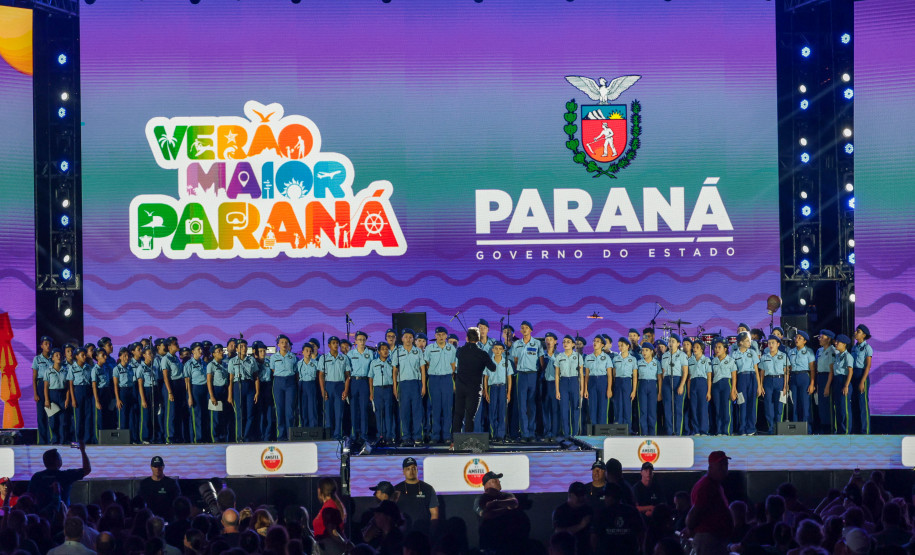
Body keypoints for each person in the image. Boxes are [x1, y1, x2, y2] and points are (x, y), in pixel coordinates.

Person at [452, 328, 496, 437]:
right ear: (478, 339)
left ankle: (454, 441)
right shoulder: (482, 353)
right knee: (470, 416)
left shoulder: (460, 351)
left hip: (460, 387)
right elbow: (493, 368)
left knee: (458, 414)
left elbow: (461, 355)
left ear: (467, 338)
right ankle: (467, 441)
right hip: (474, 388)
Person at [686, 451, 733, 555]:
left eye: (726, 464)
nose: (724, 468)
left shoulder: (713, 484)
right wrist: (690, 529)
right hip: (709, 541)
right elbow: (693, 516)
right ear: (710, 467)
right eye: (720, 465)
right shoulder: (707, 486)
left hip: (712, 540)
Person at [474, 471, 529, 554]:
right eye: (495, 481)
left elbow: (514, 502)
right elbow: (486, 515)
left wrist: (495, 503)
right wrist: (507, 509)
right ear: (489, 483)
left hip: (510, 544)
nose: (499, 482)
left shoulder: (505, 495)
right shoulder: (480, 499)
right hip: (490, 545)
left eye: (498, 480)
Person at [510, 321, 544, 442]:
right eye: (522, 328)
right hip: (521, 375)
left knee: (532, 405)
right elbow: (515, 361)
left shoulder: (537, 343)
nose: (524, 330)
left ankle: (531, 432)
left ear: (531, 330)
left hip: (533, 375)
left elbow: (541, 362)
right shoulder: (516, 344)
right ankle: (524, 433)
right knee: (522, 405)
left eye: (527, 328)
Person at [28, 443, 91, 508]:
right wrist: (83, 451)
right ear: (57, 461)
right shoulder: (65, 475)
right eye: (60, 457)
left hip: (41, 513)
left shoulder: (36, 477)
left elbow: (29, 496)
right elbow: (87, 469)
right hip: (62, 513)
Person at [591, 482, 643, 555]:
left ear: (611, 497)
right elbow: (641, 533)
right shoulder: (632, 511)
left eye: (606, 496)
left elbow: (594, 536)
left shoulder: (602, 513)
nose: (605, 499)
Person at [393, 330, 424, 446]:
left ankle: (417, 437)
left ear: (413, 339)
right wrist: (395, 387)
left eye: (410, 337)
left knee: (417, 412)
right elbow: (394, 371)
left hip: (416, 383)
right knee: (404, 412)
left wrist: (423, 386)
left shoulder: (418, 351)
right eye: (406, 337)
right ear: (402, 339)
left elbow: (422, 369)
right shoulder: (397, 352)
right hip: (403, 384)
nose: (408, 339)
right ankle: (405, 437)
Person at [394, 457, 439, 534]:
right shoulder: (396, 489)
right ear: (403, 471)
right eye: (408, 469)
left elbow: (434, 513)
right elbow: (391, 512)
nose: (411, 471)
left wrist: (432, 532)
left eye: (413, 468)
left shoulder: (428, 488)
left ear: (417, 470)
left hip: (423, 532)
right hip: (402, 533)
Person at [227, 339, 259, 443]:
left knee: (250, 414)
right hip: (238, 386)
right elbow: (230, 379)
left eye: (245, 346)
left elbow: (256, 377)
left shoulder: (251, 360)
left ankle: (247, 436)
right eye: (241, 346)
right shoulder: (232, 361)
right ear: (237, 349)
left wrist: (257, 392)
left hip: (249, 386)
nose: (244, 348)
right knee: (240, 414)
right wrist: (230, 395)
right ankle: (239, 437)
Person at [160, 338, 190, 444]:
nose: (177, 345)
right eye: (175, 344)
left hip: (179, 385)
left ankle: (178, 436)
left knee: (178, 412)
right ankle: (169, 437)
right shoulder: (165, 359)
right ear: (169, 347)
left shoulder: (175, 358)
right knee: (171, 413)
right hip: (171, 385)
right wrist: (170, 392)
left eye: (177, 343)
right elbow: (165, 377)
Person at [554, 335, 584, 439]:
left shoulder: (578, 356)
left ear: (573, 344)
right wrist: (557, 390)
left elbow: (581, 374)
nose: (565, 343)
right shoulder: (559, 356)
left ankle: (575, 434)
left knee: (575, 409)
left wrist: (582, 389)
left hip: (575, 382)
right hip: (564, 383)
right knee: (564, 410)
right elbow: (557, 375)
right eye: (564, 342)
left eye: (568, 342)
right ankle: (566, 434)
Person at [270, 334, 299, 441]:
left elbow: (296, 371)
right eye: (282, 342)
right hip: (278, 382)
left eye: (286, 342)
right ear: (278, 344)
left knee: (290, 410)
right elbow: (273, 369)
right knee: (280, 410)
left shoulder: (293, 357)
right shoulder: (273, 357)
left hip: (290, 383)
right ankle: (281, 435)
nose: (284, 344)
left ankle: (290, 434)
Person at [346, 331, 373, 442]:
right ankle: (354, 433)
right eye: (359, 340)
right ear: (355, 341)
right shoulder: (350, 354)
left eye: (363, 340)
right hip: (354, 382)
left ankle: (363, 433)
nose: (361, 342)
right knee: (353, 409)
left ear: (366, 341)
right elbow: (347, 371)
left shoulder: (370, 353)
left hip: (365, 382)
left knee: (364, 409)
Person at [552, 481, 593, 555]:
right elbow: (558, 532)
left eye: (583, 495)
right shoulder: (561, 511)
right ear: (570, 495)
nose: (582, 498)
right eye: (579, 495)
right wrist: (581, 526)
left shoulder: (588, 510)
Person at [732, 332, 761, 436]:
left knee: (752, 404)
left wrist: (759, 386)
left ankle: (751, 428)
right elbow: (734, 372)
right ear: (741, 342)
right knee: (742, 403)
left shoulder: (752, 352)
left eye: (749, 340)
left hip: (752, 377)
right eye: (747, 341)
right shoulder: (734, 354)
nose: (749, 342)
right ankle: (742, 428)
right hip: (741, 378)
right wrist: (734, 388)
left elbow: (756, 370)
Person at [660, 333, 689, 436]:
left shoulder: (682, 355)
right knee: (667, 407)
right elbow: (663, 371)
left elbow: (685, 371)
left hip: (677, 380)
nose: (670, 343)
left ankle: (678, 432)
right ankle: (669, 432)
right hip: (667, 380)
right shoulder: (665, 355)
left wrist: (681, 385)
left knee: (678, 408)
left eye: (673, 341)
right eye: (669, 341)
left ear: (678, 343)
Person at [484, 341, 513, 443]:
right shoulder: (489, 362)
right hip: (493, 388)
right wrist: (486, 391)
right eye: (495, 348)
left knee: (502, 412)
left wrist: (509, 393)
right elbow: (485, 378)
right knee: (493, 412)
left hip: (502, 388)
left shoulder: (506, 362)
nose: (497, 351)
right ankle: (494, 433)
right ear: (492, 350)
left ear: (503, 351)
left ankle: (501, 435)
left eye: (500, 349)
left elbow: (509, 378)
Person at [759, 335, 789, 434]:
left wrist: (785, 385)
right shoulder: (764, 357)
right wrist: (761, 385)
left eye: (773, 343)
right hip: (768, 381)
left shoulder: (783, 356)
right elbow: (762, 372)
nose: (771, 345)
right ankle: (771, 428)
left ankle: (779, 427)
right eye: (769, 343)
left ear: (778, 344)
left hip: (780, 380)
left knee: (779, 405)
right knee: (768, 405)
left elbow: (786, 372)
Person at [788, 331, 816, 427]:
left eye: (800, 338)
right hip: (793, 377)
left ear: (804, 341)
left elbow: (812, 369)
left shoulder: (809, 352)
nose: (797, 339)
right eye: (796, 337)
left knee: (805, 403)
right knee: (794, 403)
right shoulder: (791, 352)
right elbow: (789, 366)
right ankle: (796, 426)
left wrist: (812, 384)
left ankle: (807, 427)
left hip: (804, 376)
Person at [369, 341, 395, 445]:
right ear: (379, 352)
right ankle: (380, 435)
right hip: (378, 390)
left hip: (388, 389)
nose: (385, 351)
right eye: (383, 349)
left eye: (387, 349)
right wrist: (371, 392)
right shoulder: (374, 363)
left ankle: (389, 436)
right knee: (379, 413)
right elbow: (370, 378)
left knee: (388, 413)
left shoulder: (391, 363)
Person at [138, 456, 180, 520]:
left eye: (159, 466)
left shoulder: (171, 483)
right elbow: (140, 502)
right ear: (151, 467)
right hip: (149, 519)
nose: (157, 469)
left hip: (168, 518)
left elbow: (177, 502)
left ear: (163, 467)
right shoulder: (144, 484)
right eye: (155, 466)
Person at [584, 336, 612, 430]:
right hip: (592, 382)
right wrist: (585, 389)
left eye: (598, 341)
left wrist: (609, 389)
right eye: (594, 341)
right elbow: (587, 375)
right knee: (592, 409)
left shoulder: (606, 357)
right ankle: (593, 432)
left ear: (602, 345)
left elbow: (609, 375)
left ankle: (602, 431)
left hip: (602, 382)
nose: (595, 343)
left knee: (602, 408)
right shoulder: (588, 357)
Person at [710, 338, 737, 436]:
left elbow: (734, 376)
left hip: (726, 384)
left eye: (719, 347)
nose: (716, 349)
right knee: (718, 408)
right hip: (716, 385)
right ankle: (719, 430)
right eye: (715, 347)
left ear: (725, 349)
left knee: (726, 408)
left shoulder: (730, 360)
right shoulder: (713, 361)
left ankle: (727, 430)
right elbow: (712, 375)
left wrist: (733, 390)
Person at [850, 324, 873, 435]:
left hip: (861, 374)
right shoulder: (854, 347)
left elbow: (868, 366)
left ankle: (865, 430)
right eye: (856, 331)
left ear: (864, 335)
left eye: (858, 331)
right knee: (854, 403)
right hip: (853, 375)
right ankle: (856, 429)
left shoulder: (867, 348)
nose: (855, 333)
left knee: (862, 404)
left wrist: (862, 381)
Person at [67, 348, 94, 444]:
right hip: (78, 391)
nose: (84, 356)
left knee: (88, 416)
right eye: (82, 355)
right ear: (76, 356)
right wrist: (73, 399)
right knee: (78, 417)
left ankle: (87, 439)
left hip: (88, 390)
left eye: (85, 355)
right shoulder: (72, 368)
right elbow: (70, 385)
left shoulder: (88, 367)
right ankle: (77, 439)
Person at [185, 343, 209, 443]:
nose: (201, 351)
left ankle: (205, 437)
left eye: (201, 349)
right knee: (196, 415)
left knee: (205, 414)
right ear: (193, 351)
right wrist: (190, 396)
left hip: (205, 389)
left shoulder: (204, 363)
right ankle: (197, 439)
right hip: (195, 389)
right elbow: (187, 381)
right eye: (198, 349)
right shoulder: (189, 364)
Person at [45, 349, 70, 445]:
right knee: (53, 420)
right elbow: (46, 387)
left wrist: (67, 399)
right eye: (56, 355)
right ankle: (54, 439)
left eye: (60, 355)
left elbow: (68, 386)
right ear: (52, 358)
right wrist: (47, 400)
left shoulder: (66, 370)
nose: (59, 357)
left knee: (63, 420)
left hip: (63, 395)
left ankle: (63, 440)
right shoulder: (48, 371)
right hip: (52, 395)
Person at [137, 347, 162, 444]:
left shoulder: (154, 367)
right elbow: (140, 385)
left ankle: (154, 436)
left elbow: (157, 382)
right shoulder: (141, 368)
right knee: (146, 416)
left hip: (154, 390)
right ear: (144, 355)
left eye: (152, 353)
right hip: (146, 391)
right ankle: (145, 437)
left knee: (154, 416)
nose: (152, 355)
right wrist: (143, 399)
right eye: (149, 353)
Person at [205, 344, 230, 443]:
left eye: (221, 350)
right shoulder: (211, 365)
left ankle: (223, 437)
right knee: (215, 417)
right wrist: (212, 396)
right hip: (215, 391)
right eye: (218, 351)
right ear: (213, 354)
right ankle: (214, 438)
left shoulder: (224, 364)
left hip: (224, 391)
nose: (221, 352)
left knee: (223, 417)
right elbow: (209, 381)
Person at [613, 337, 638, 434]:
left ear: (628, 346)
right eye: (619, 346)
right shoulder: (615, 359)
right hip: (618, 382)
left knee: (627, 407)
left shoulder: (633, 359)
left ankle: (628, 430)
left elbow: (635, 376)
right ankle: (618, 429)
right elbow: (614, 374)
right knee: (618, 406)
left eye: (622, 345)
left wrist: (634, 391)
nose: (620, 347)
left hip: (628, 382)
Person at [688, 340, 712, 436]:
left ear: (702, 349)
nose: (695, 349)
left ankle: (703, 430)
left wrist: (708, 392)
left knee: (703, 408)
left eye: (697, 347)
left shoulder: (706, 360)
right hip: (693, 383)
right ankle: (696, 430)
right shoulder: (690, 360)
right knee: (694, 408)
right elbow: (689, 377)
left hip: (702, 383)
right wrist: (689, 391)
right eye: (694, 347)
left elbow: (709, 377)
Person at [33, 336, 54, 445]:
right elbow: (34, 377)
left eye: (49, 344)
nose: (48, 346)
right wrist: (35, 393)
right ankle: (42, 441)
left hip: (52, 385)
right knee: (41, 416)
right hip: (41, 385)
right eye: (45, 344)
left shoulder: (54, 358)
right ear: (41, 346)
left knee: (52, 414)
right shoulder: (37, 359)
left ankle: (52, 439)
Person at [815, 330, 837, 434]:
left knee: (828, 404)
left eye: (822, 337)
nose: (819, 339)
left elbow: (831, 370)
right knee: (821, 404)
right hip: (820, 377)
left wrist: (827, 386)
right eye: (819, 337)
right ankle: (823, 425)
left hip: (828, 377)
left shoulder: (832, 350)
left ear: (828, 339)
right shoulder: (819, 351)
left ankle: (830, 427)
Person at [637, 342, 660, 436]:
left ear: (651, 351)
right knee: (643, 411)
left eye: (646, 350)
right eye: (643, 350)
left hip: (652, 386)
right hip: (642, 385)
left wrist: (659, 392)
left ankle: (652, 434)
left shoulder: (656, 363)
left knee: (652, 411)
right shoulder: (639, 362)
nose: (644, 352)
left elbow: (659, 378)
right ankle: (644, 433)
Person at [832, 334, 855, 434]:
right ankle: (838, 430)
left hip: (844, 380)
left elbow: (850, 371)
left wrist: (846, 385)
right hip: (837, 380)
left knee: (844, 407)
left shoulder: (847, 356)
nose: (836, 343)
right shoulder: (837, 355)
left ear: (844, 344)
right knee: (837, 407)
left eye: (838, 342)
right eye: (836, 341)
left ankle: (846, 431)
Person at [296, 341, 320, 429]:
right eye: (306, 350)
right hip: (302, 385)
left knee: (312, 407)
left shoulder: (316, 363)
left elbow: (318, 376)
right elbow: (297, 376)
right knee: (303, 407)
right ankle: (304, 427)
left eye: (310, 351)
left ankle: (313, 428)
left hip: (311, 384)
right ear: (302, 352)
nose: (309, 353)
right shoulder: (298, 364)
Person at [541, 332, 560, 441]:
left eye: (551, 339)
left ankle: (554, 433)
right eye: (547, 339)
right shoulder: (542, 355)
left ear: (555, 341)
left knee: (555, 409)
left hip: (555, 384)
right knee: (545, 409)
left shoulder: (559, 356)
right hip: (544, 383)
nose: (548, 342)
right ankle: (547, 432)